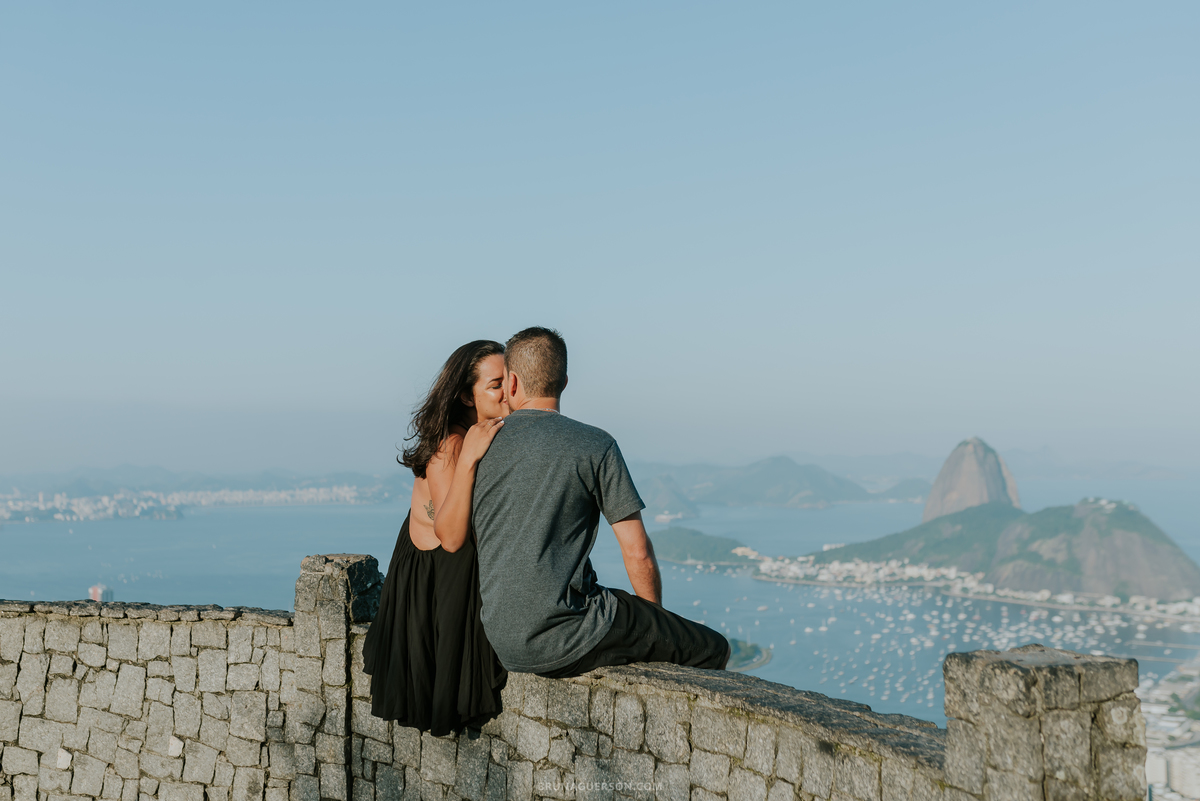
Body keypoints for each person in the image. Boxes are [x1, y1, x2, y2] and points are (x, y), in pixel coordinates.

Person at [471, 327, 730, 677]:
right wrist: (655, 621)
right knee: (714, 648)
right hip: (566, 636)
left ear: (512, 382)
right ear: (563, 382)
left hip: (502, 641)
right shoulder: (595, 445)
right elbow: (637, 550)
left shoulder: (482, 446)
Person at [361, 340, 509, 735]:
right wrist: (471, 458)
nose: (508, 392)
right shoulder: (452, 445)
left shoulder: (483, 433)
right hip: (434, 576)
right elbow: (452, 536)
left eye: (510, 381)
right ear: (465, 395)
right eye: (496, 384)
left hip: (448, 571)